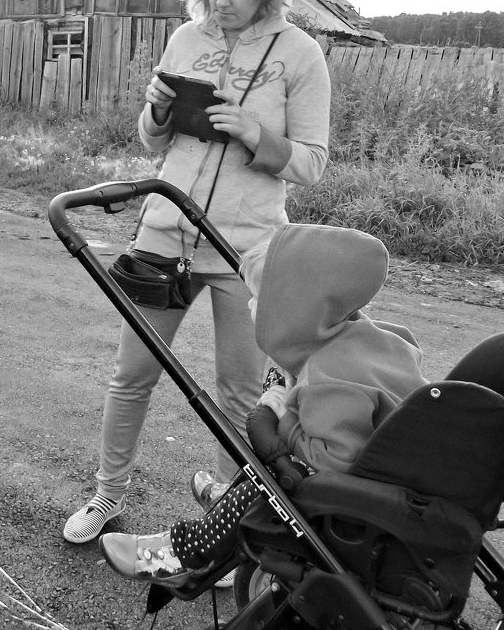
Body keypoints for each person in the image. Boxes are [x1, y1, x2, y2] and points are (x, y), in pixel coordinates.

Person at [62, 0, 332, 546]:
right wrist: (156, 109)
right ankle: (108, 495)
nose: (221, 0)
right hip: (163, 230)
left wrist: (254, 134)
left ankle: (225, 512)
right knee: (132, 374)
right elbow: (152, 137)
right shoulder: (186, 37)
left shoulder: (299, 54)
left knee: (240, 395)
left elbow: (312, 162)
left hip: (246, 249)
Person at [98, 224, 428, 586]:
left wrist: (284, 421)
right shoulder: (375, 338)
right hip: (405, 476)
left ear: (292, 311)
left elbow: (336, 459)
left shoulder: (330, 378)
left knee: (269, 481)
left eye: (256, 299)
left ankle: (184, 550)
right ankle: (227, 499)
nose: (250, 306)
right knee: (266, 470)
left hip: (362, 494)